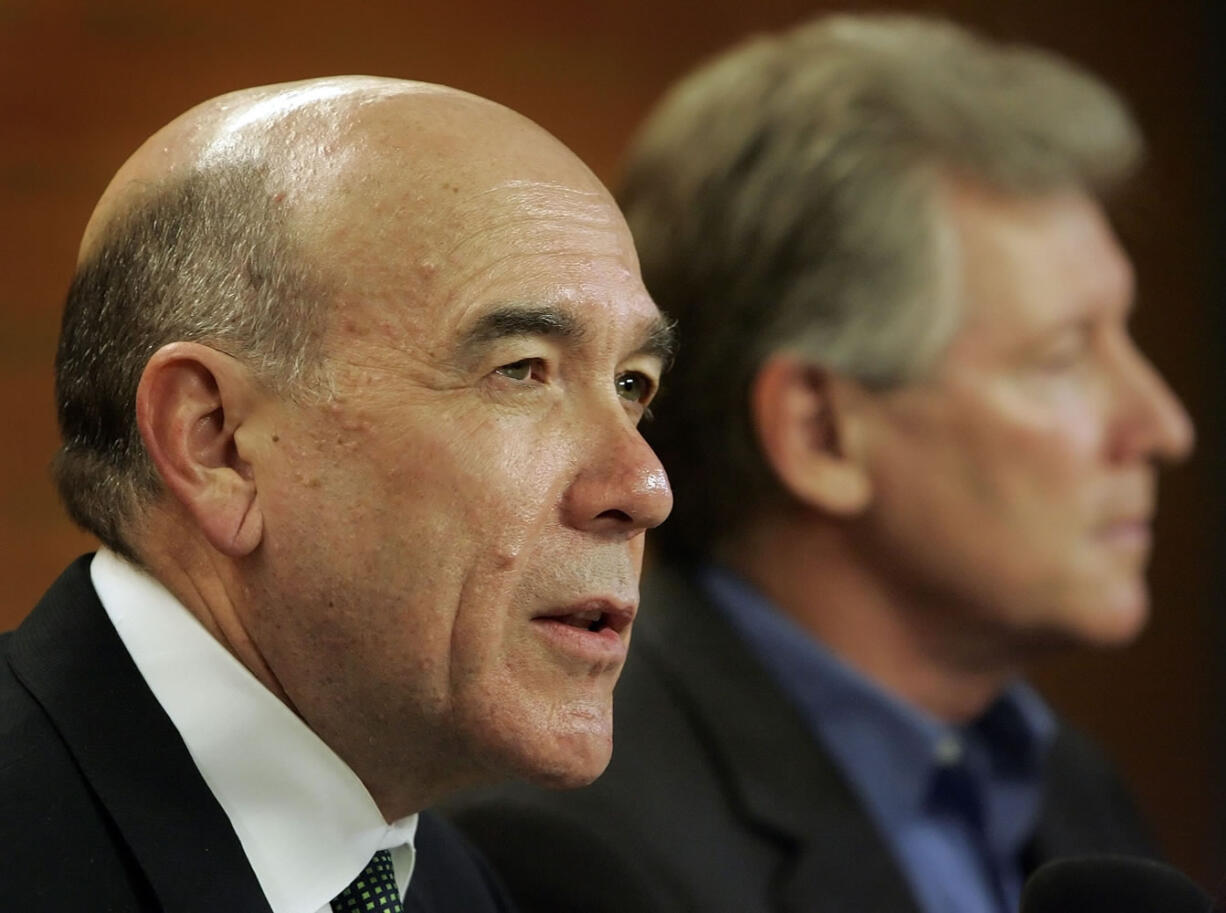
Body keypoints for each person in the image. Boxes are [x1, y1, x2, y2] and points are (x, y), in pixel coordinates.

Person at [446, 14, 1196, 913]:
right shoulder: (576, 839)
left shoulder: (1068, 781)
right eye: (1063, 357)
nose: (1162, 426)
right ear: (821, 433)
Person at [0, 76, 674, 912]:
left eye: (634, 383)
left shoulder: (459, 888)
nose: (644, 487)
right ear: (215, 442)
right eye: (521, 371)